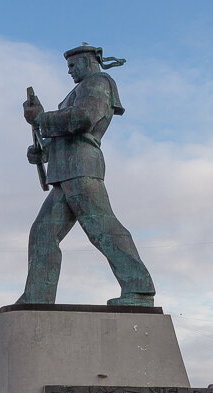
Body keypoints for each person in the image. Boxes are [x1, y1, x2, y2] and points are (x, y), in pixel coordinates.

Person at [17, 45, 155, 307]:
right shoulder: (78, 90)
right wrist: (42, 151)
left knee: (101, 227)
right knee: (43, 232)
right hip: (65, 172)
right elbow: (66, 136)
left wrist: (41, 118)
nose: (69, 70)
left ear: (88, 61)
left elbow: (82, 120)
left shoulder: (99, 83)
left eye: (72, 65)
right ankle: (38, 297)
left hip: (82, 168)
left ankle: (139, 289)